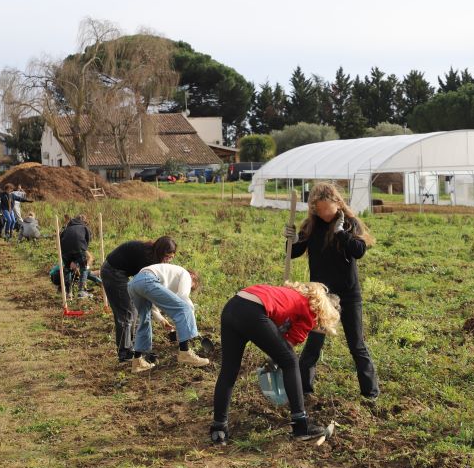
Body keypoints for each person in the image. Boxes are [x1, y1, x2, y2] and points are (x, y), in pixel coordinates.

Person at [210, 281, 341, 445]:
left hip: (233, 305)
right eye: (323, 327)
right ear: (324, 315)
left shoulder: (294, 295)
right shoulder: (311, 310)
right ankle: (301, 426)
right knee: (291, 361)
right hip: (252, 310)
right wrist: (276, 357)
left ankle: (219, 429)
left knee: (229, 371)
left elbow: (276, 333)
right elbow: (288, 350)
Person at [284, 182, 379, 401]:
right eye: (320, 211)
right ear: (314, 208)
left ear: (337, 204)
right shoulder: (311, 225)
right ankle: (304, 390)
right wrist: (292, 239)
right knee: (314, 344)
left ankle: (370, 394)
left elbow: (359, 251)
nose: (326, 216)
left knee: (356, 344)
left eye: (329, 211)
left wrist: (340, 234)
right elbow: (294, 253)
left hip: (348, 294)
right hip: (321, 296)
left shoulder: (350, 224)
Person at [102, 237, 177, 363]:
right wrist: (160, 317)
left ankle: (135, 349)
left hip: (122, 272)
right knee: (126, 313)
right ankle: (125, 353)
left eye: (171, 257)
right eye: (166, 257)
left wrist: (161, 318)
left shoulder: (153, 257)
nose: (168, 261)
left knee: (135, 311)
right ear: (159, 252)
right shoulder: (148, 260)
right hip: (113, 272)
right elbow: (145, 292)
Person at [127, 262, 209, 373]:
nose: (190, 288)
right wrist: (190, 317)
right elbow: (183, 298)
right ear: (192, 277)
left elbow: (153, 306)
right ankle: (185, 353)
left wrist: (161, 319)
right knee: (184, 308)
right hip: (147, 280)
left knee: (144, 320)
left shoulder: (169, 275)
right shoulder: (185, 274)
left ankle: (137, 362)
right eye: (192, 286)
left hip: (134, 283)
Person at [60, 215, 92, 298]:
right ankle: (81, 291)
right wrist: (84, 248)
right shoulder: (84, 227)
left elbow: (60, 238)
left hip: (65, 250)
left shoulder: (67, 228)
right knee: (84, 268)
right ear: (83, 221)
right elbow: (88, 239)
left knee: (67, 269)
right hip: (79, 248)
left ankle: (68, 292)